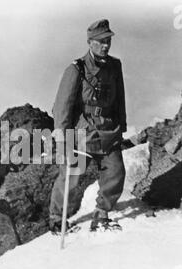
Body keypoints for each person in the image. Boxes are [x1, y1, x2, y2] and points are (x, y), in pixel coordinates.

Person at [49, 19, 127, 232]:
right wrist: (61, 132)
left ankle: (102, 214)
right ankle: (57, 218)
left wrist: (122, 124)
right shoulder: (76, 69)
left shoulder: (114, 66)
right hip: (83, 131)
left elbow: (119, 97)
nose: (106, 45)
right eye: (101, 41)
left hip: (108, 130)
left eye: (108, 40)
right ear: (90, 42)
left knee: (116, 172)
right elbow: (62, 103)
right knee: (71, 177)